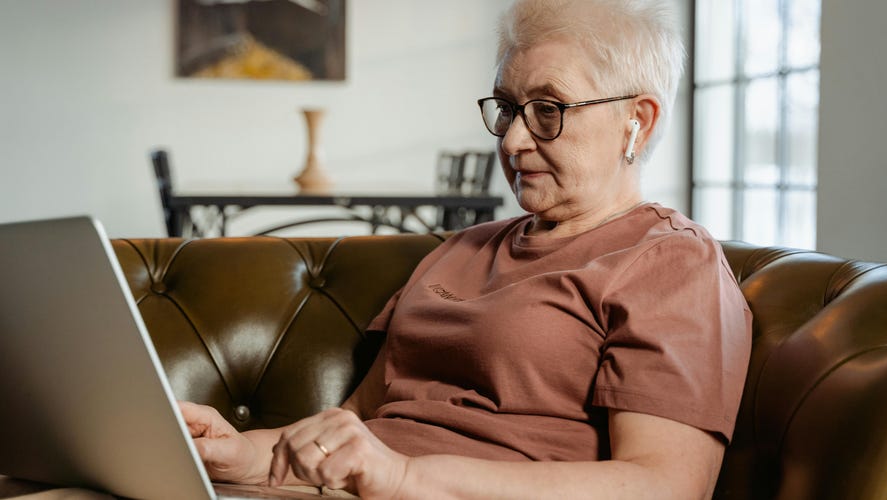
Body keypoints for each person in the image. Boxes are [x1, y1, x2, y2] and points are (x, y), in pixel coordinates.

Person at [180, 0, 752, 498]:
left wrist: (403, 479)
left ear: (638, 121)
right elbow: (356, 423)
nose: (512, 139)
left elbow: (665, 485)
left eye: (549, 110)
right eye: (507, 107)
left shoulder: (670, 261)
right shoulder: (463, 249)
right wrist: (244, 455)